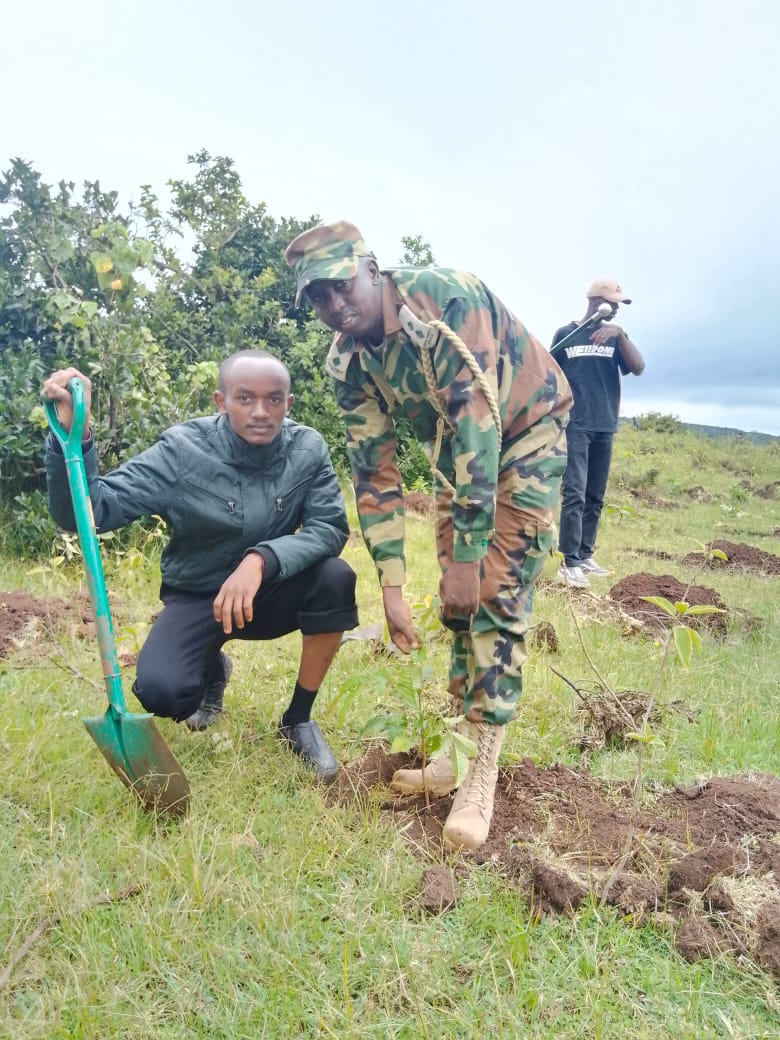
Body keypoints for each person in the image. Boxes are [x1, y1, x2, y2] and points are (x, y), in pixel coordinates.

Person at [284, 221, 572, 849]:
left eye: (341, 286)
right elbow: (375, 471)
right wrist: (392, 583)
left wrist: (469, 559)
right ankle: (457, 756)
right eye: (318, 298)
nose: (335, 306)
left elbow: (481, 429)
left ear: (370, 267)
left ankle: (481, 770)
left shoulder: (445, 302)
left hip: (525, 433)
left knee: (491, 589)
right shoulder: (347, 362)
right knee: (456, 603)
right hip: (459, 458)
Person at [42, 350, 358, 782]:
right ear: (220, 400)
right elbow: (89, 509)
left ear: (289, 403)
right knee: (163, 693)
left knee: (336, 577)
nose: (261, 412)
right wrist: (71, 438)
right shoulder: (181, 450)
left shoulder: (307, 448)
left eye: (274, 400)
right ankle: (212, 670)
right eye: (245, 398)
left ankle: (297, 720)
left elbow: (329, 528)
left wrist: (261, 560)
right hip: (200, 594)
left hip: (270, 590)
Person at [550, 278, 645, 589]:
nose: (616, 309)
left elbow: (639, 366)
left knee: (595, 496)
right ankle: (569, 563)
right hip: (576, 424)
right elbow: (549, 373)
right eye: (612, 303)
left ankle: (585, 554)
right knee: (574, 493)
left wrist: (621, 334)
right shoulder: (567, 334)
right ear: (595, 301)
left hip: (605, 424)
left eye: (619, 304)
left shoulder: (615, 337)